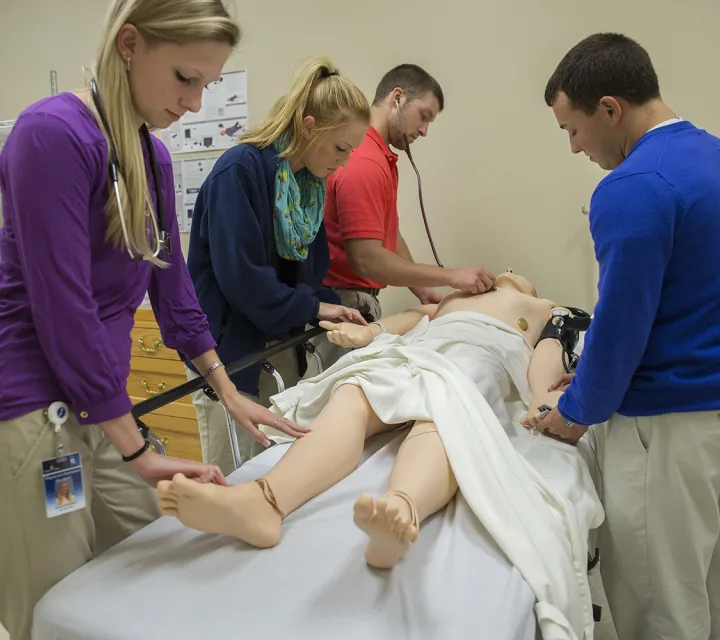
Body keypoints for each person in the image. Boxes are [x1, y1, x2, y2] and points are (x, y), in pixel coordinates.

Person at [0, 2, 304, 638]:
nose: (194, 104)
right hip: (33, 408)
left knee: (155, 552)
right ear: (131, 44)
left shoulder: (150, 156)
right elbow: (64, 309)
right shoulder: (52, 136)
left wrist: (228, 393)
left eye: (207, 85)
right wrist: (137, 448)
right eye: (185, 78)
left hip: (96, 403)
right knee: (55, 600)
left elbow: (174, 292)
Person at [158, 269, 602, 638]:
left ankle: (401, 509)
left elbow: (549, 350)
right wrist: (366, 332)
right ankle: (264, 500)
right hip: (414, 355)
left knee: (444, 414)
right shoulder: (447, 302)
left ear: (531, 288)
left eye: (514, 271)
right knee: (353, 392)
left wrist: (542, 397)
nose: (505, 270)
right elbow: (406, 319)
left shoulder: (545, 309)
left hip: (479, 358)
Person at [537, 33, 720, 640]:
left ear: (610, 108)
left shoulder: (632, 188)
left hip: (662, 432)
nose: (574, 148)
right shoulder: (712, 158)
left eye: (574, 129)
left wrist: (575, 409)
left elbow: (621, 326)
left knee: (661, 607)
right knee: (708, 596)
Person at [186, 56, 371, 475]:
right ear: (309, 125)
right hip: (230, 359)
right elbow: (244, 281)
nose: (343, 162)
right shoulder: (240, 172)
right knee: (235, 479)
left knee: (280, 474)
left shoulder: (306, 187)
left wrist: (332, 308)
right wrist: (312, 307)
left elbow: (309, 274)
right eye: (340, 147)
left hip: (277, 350)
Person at [323, 64, 496, 323]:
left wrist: (421, 288)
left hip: (356, 300)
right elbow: (366, 258)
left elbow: (386, 234)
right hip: (343, 304)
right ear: (397, 98)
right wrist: (451, 276)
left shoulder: (379, 156)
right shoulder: (365, 160)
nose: (424, 131)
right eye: (423, 116)